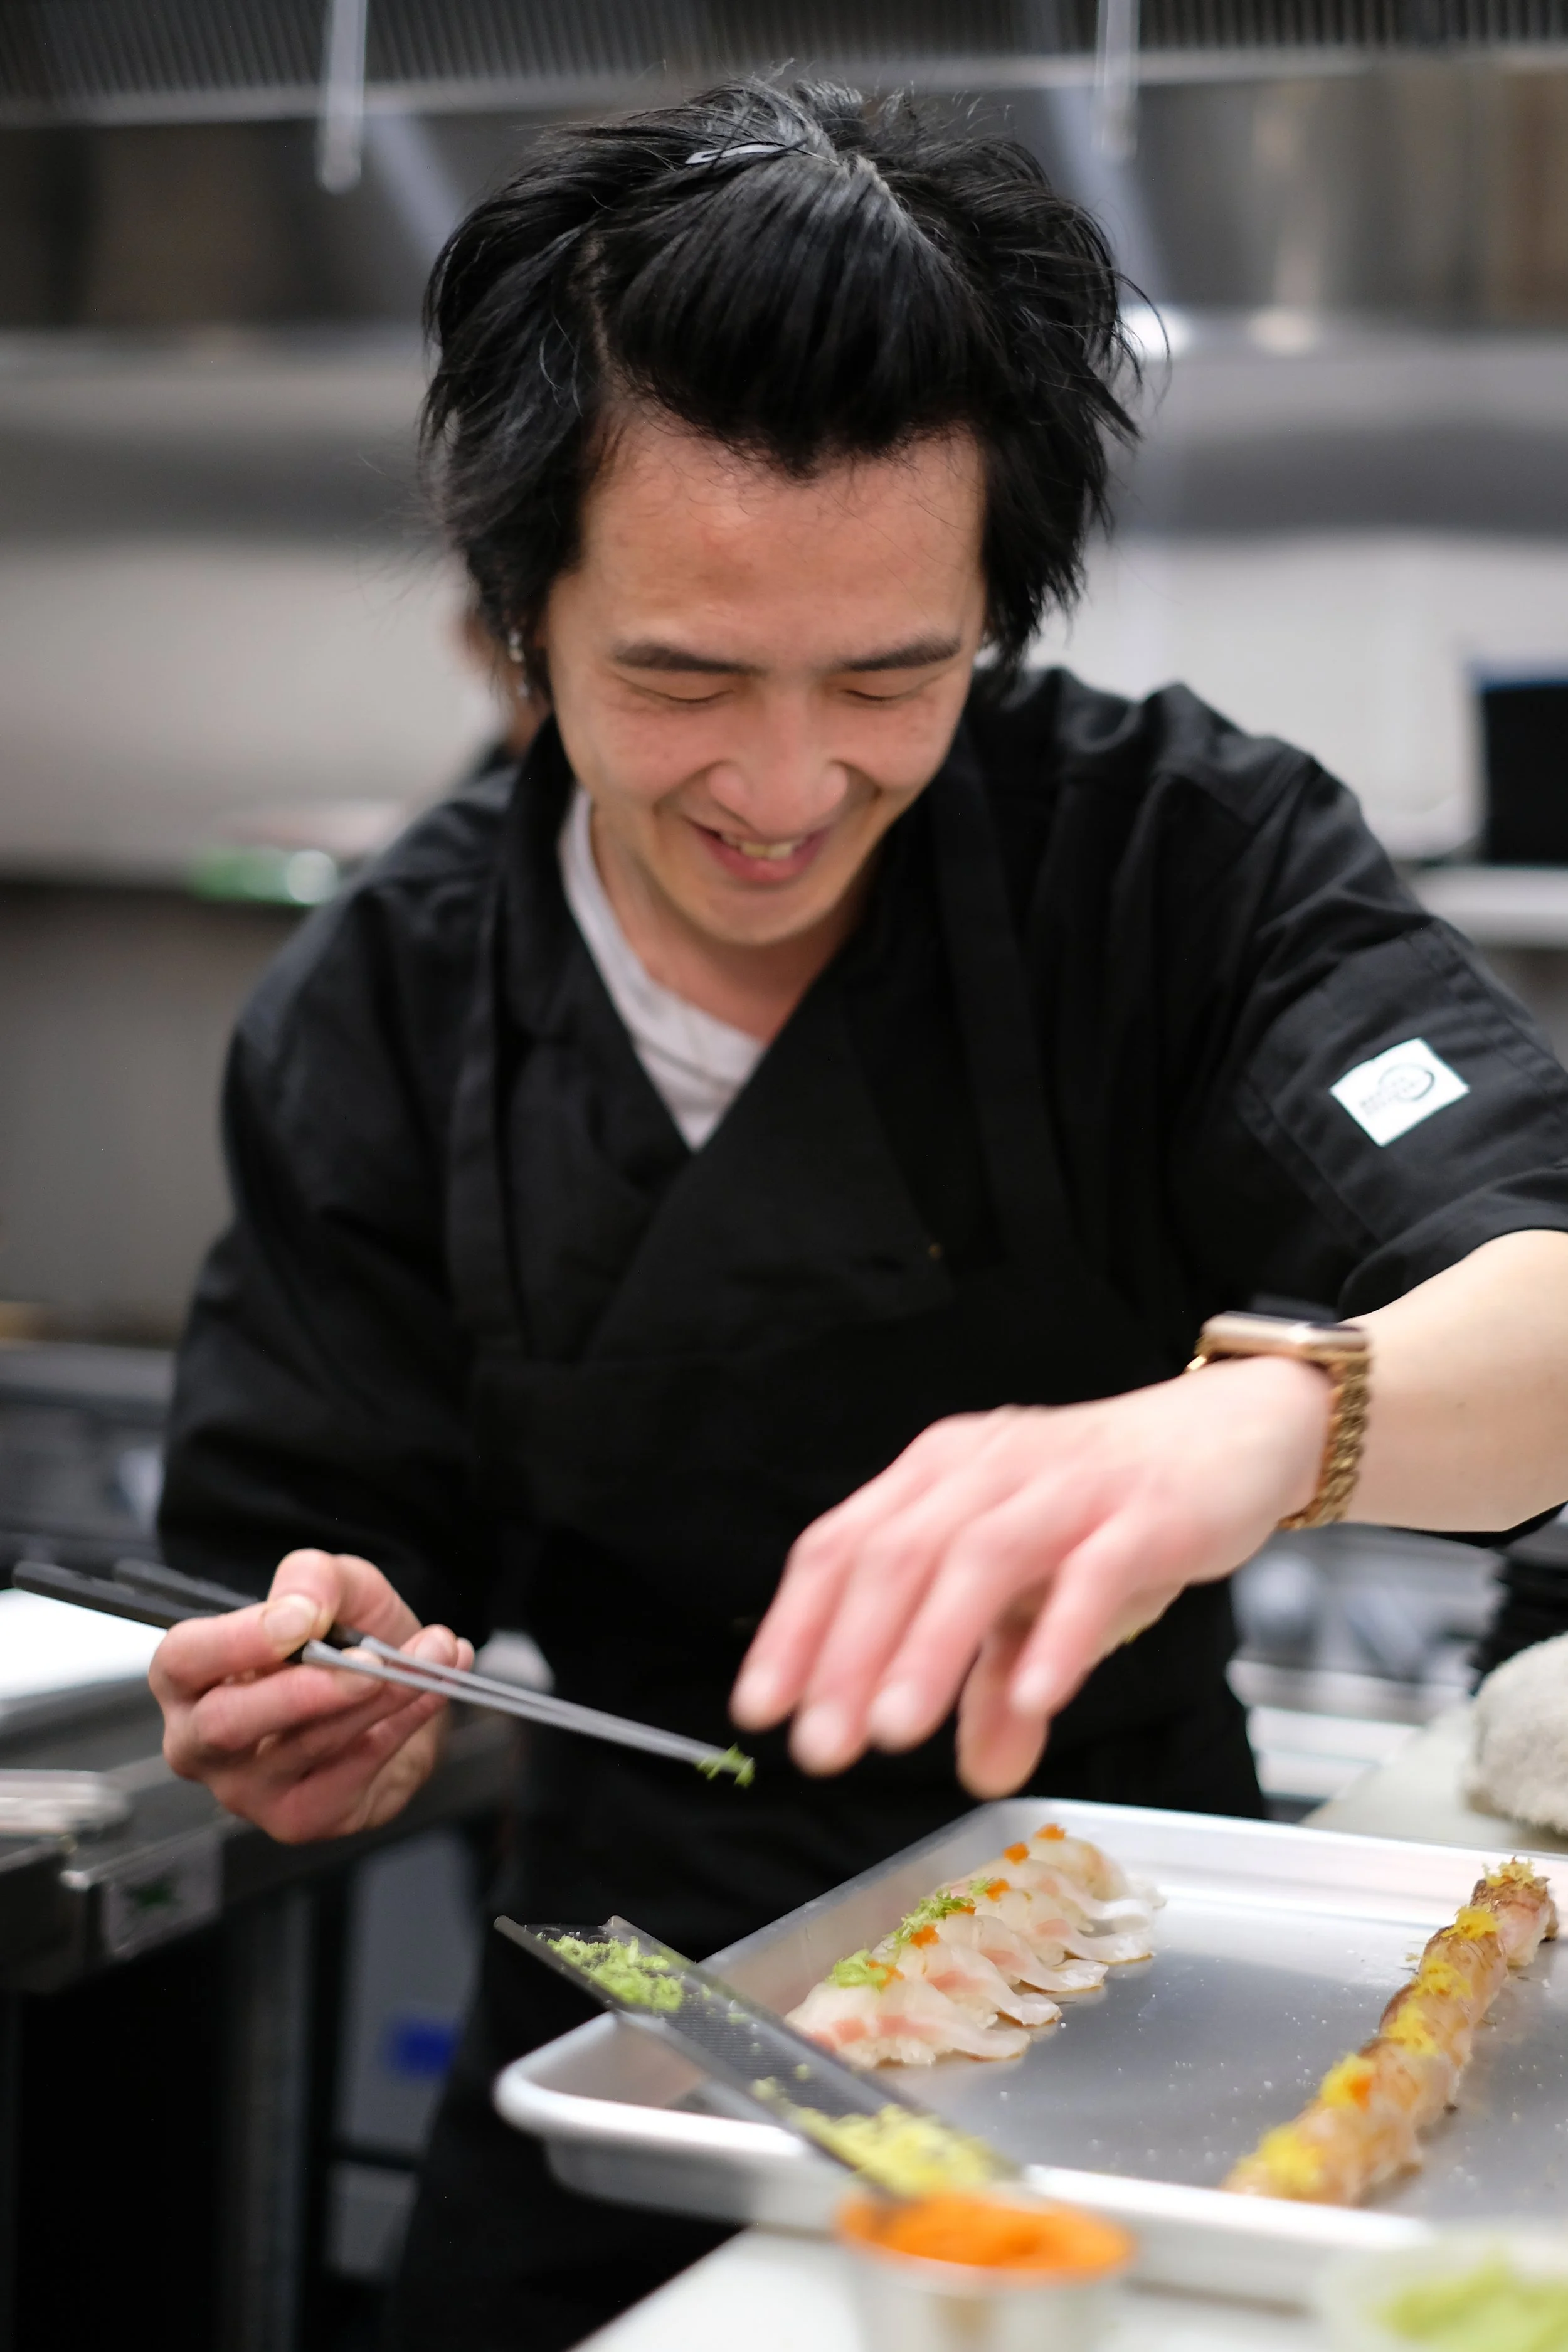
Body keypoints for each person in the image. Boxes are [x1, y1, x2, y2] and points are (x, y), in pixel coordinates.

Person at [149, 78, 1568, 2351]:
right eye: (679, 679)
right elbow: (295, 1571)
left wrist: (1253, 1425)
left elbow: (1549, 1282)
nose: (788, 785)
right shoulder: (385, 1003)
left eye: (891, 678)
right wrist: (311, 1683)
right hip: (641, 1995)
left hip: (1140, 1957)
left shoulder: (1172, 865)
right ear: (513, 618)